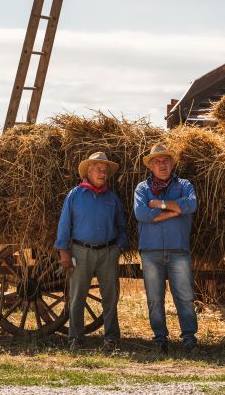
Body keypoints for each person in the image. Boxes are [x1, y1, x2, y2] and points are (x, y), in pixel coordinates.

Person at [55, 151, 128, 352]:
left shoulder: (112, 198)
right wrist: (63, 251)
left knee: (110, 297)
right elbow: (64, 225)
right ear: (88, 171)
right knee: (77, 296)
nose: (102, 172)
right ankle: (75, 339)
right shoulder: (75, 195)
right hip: (80, 252)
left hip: (107, 252)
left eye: (105, 170)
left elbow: (122, 226)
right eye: (98, 169)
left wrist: (118, 247)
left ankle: (111, 339)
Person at [133, 143, 198, 354]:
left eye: (166, 161)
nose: (162, 165)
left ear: (172, 164)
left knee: (185, 297)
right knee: (154, 298)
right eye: (157, 162)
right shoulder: (142, 188)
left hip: (178, 250)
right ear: (150, 166)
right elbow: (142, 214)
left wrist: (159, 204)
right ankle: (160, 339)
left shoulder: (184, 185)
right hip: (151, 251)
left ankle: (189, 338)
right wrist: (173, 210)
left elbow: (190, 205)